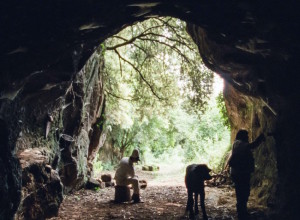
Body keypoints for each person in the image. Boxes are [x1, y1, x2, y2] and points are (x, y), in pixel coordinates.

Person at [228, 130, 265, 219]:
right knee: (243, 192)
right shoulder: (239, 143)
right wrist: (260, 138)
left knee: (242, 192)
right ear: (243, 136)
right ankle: (241, 213)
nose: (248, 138)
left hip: (238, 173)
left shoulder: (236, 143)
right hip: (240, 173)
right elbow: (251, 146)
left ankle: (242, 211)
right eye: (246, 136)